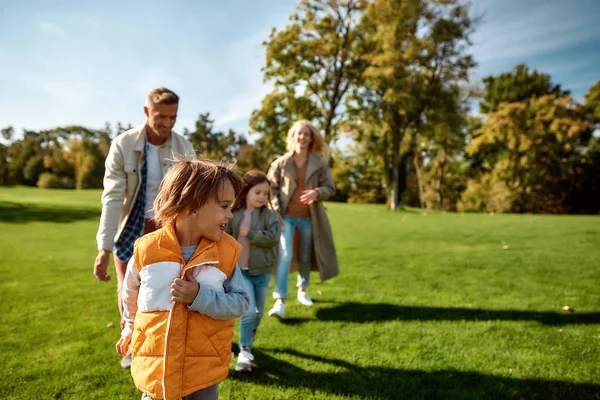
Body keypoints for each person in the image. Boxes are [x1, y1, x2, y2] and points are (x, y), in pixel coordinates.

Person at [115, 156, 249, 400]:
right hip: (157, 365)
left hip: (203, 371)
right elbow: (130, 291)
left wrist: (200, 297)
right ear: (191, 206)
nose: (230, 214)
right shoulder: (147, 249)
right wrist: (130, 328)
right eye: (224, 206)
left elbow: (240, 303)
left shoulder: (226, 254)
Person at [93, 87, 193, 368]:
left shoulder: (183, 147)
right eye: (161, 116)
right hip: (132, 224)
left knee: (171, 284)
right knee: (129, 287)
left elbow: (193, 193)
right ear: (146, 111)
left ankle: (170, 339)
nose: (167, 123)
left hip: (168, 225)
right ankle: (132, 342)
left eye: (173, 117)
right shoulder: (123, 145)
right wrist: (104, 247)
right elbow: (112, 196)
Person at [266, 119, 339, 320]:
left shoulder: (319, 165)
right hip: (285, 218)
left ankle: (302, 290)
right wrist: (276, 211)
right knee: (286, 254)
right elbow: (270, 188)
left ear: (311, 138)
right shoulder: (280, 163)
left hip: (310, 219)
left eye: (306, 134)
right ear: (293, 137)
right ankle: (279, 300)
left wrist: (317, 192)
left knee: (306, 256)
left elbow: (330, 188)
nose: (302, 137)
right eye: (299, 133)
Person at [226, 171, 281, 372]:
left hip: (262, 271)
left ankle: (247, 337)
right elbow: (225, 237)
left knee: (258, 313)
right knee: (248, 312)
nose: (262, 197)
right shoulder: (235, 214)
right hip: (240, 273)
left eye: (266, 194)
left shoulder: (269, 216)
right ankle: (245, 352)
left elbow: (274, 238)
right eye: (257, 192)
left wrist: (251, 234)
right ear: (246, 191)